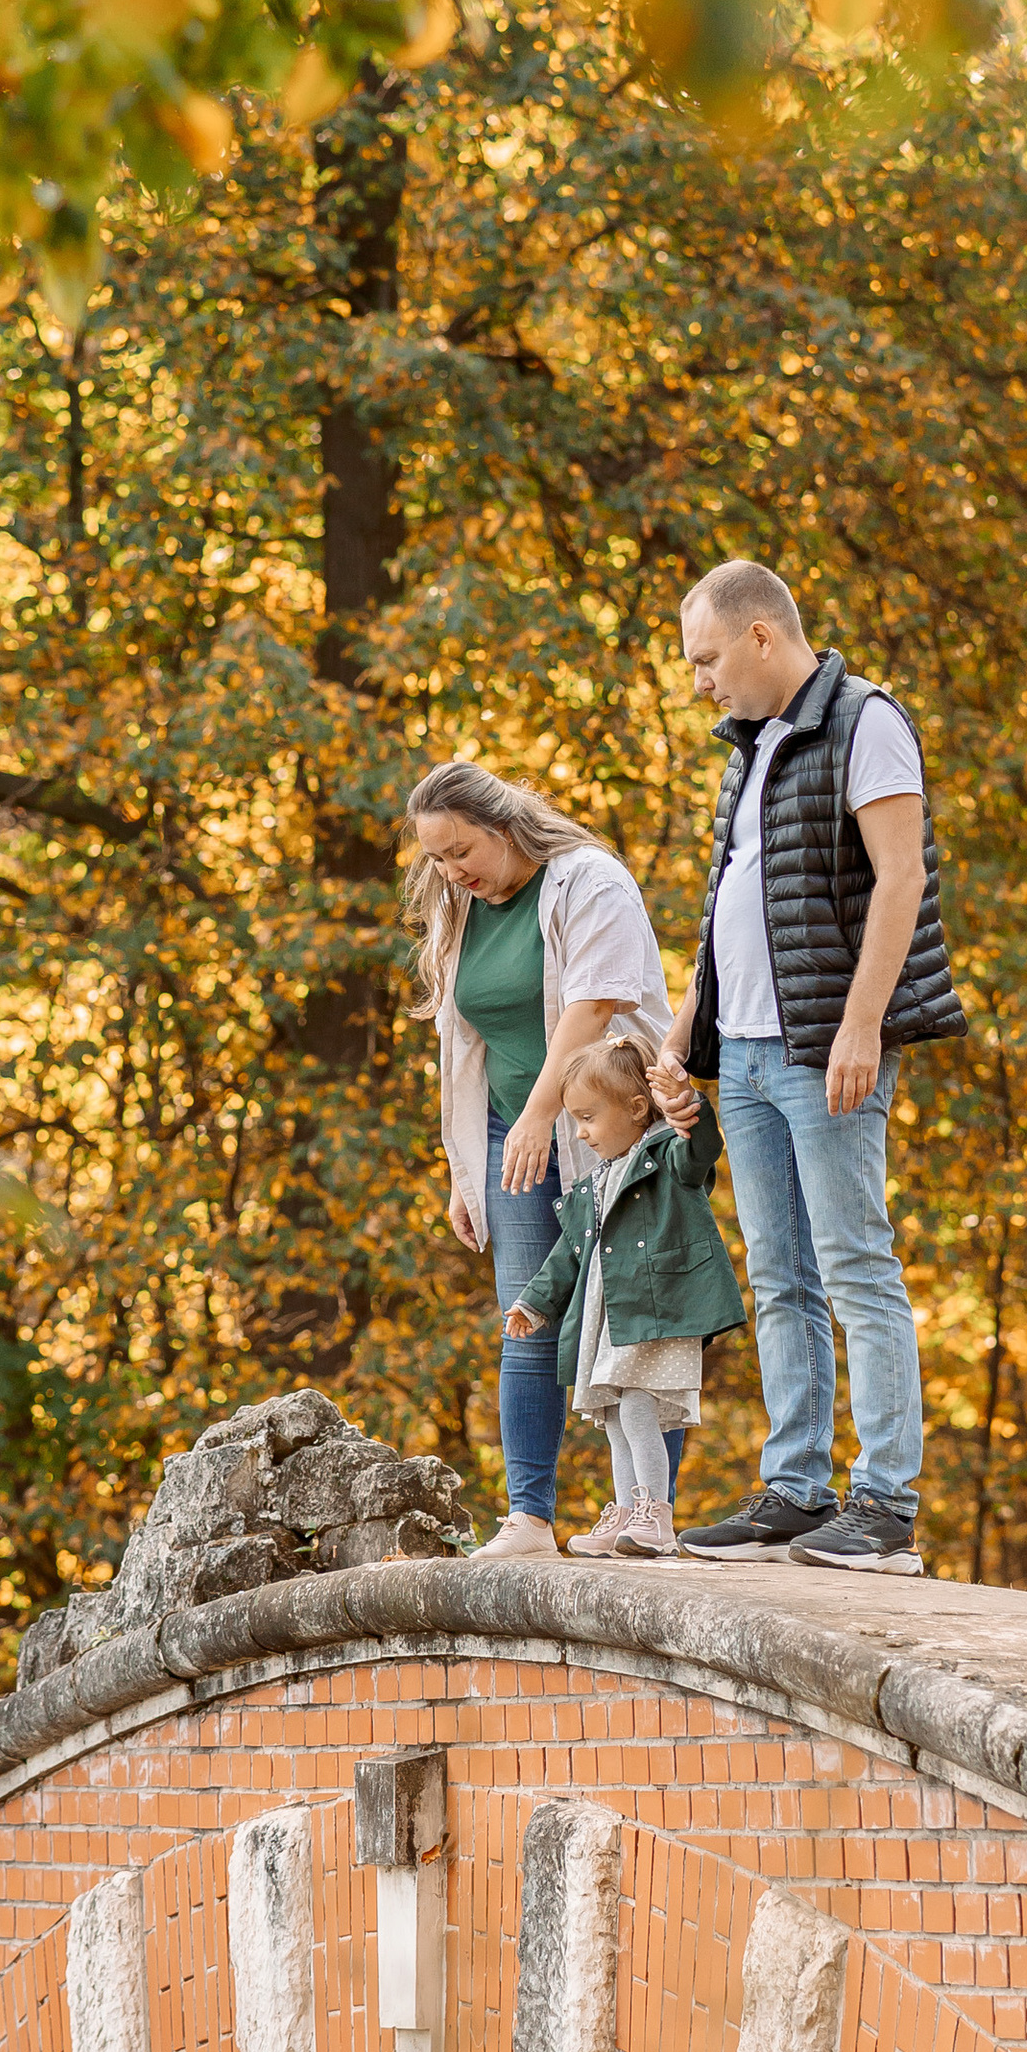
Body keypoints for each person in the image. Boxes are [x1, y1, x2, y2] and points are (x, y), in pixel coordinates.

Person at [649, 560, 968, 1577]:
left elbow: (901, 876)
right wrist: (683, 1028)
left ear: (757, 637)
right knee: (781, 1279)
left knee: (855, 1269)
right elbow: (725, 900)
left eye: (707, 659)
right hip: (741, 1052)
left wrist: (861, 1026)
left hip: (822, 1046)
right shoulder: (751, 746)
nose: (700, 680)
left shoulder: (865, 719)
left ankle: (883, 1504)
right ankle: (795, 1489)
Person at [403, 763, 671, 1555]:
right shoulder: (460, 904)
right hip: (509, 1130)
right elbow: (464, 1042)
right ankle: (529, 1517)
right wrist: (465, 1169)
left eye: (461, 851)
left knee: (629, 1317)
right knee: (527, 1316)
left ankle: (644, 1515)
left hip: (612, 1127)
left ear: (505, 824)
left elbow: (591, 1009)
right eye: (437, 860)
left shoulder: (589, 882)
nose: (452, 873)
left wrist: (541, 1113)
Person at [504, 1038, 745, 1559]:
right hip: (610, 1319)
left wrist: (689, 1105)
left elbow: (702, 1148)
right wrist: (533, 1302)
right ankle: (627, 1510)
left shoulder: (667, 1158)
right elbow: (566, 1257)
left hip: (656, 1312)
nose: (580, 1132)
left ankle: (655, 1514)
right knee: (614, 1417)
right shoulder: (594, 1182)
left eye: (588, 1117)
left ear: (637, 1109)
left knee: (637, 1409)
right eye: (575, 1120)